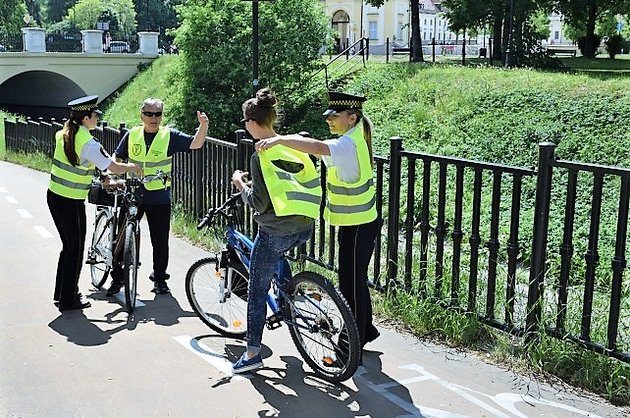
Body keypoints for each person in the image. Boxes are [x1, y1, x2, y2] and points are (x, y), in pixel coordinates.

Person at [255, 91, 381, 357]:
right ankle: (365, 330)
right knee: (354, 280)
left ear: (351, 118)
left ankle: (350, 346)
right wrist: (293, 141)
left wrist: (278, 139)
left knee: (350, 284)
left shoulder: (348, 144)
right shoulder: (351, 138)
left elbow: (319, 148)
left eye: (334, 117)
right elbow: (317, 147)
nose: (329, 121)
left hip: (358, 225)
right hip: (357, 222)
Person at [231, 88, 321, 373]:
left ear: (252, 123)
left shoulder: (260, 156)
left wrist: (240, 184)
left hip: (275, 231)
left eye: (245, 122)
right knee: (279, 255)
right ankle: (287, 297)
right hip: (305, 224)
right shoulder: (293, 144)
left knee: (256, 291)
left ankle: (252, 354)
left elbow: (257, 202)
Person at [47, 95, 142, 312]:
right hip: (70, 201)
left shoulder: (64, 134)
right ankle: (68, 300)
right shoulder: (88, 142)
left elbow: (83, 162)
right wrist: (132, 167)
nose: (98, 117)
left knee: (68, 248)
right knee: (75, 250)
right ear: (86, 117)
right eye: (95, 114)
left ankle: (62, 292)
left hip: (55, 197)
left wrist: (102, 176)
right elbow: (112, 165)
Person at [105, 98, 209, 296]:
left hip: (159, 197)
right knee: (121, 237)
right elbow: (117, 157)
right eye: (149, 114)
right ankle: (117, 278)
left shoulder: (168, 135)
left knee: (160, 240)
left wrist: (203, 126)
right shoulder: (132, 134)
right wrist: (111, 173)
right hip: (133, 193)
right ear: (141, 115)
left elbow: (196, 144)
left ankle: (160, 279)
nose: (154, 118)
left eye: (158, 114)